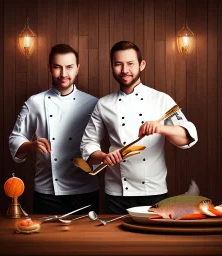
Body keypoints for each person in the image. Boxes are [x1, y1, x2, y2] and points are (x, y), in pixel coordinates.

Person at [80, 41, 198, 214]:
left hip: (153, 191)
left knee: (153, 240)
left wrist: (161, 128)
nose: (125, 70)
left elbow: (188, 136)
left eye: (130, 64)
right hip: (117, 192)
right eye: (118, 64)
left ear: (142, 65)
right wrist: (105, 157)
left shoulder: (161, 99)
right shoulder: (103, 104)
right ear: (112, 66)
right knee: (117, 240)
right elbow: (87, 144)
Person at [9, 44, 99, 214]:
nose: (64, 74)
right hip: (48, 191)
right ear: (49, 68)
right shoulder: (35, 102)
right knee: (46, 240)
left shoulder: (94, 104)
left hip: (85, 188)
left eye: (69, 67)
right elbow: (15, 138)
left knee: (87, 239)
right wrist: (33, 145)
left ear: (78, 68)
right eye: (58, 67)